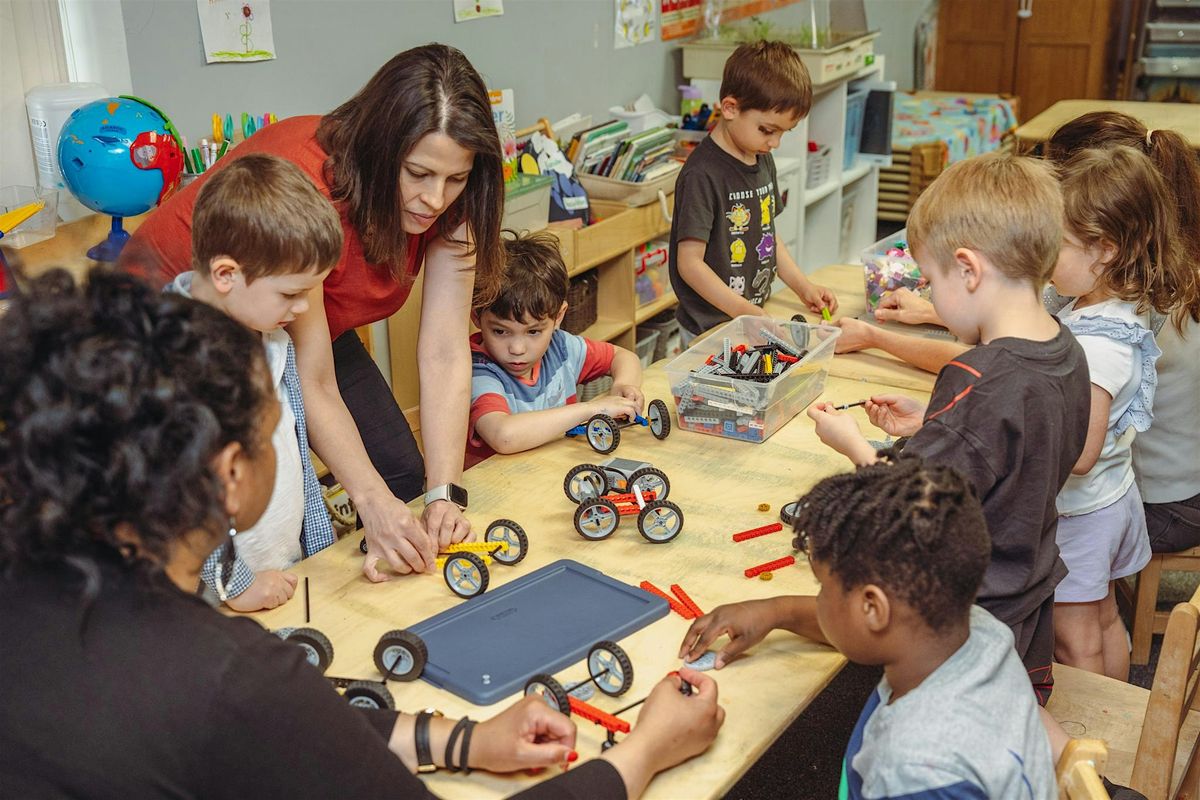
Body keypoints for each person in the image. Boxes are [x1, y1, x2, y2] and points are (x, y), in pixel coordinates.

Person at [0, 268, 724, 799]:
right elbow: (267, 712)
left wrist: (461, 739)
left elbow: (297, 731)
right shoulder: (226, 675)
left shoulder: (34, 592)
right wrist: (641, 755)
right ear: (228, 474)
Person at [122, 44, 506, 582]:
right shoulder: (311, 191)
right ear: (379, 151)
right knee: (226, 490)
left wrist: (446, 495)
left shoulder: (456, 196)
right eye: (417, 173)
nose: (434, 198)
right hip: (189, 309)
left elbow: (444, 351)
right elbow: (315, 380)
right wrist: (370, 503)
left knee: (401, 472)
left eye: (455, 179)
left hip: (294, 310)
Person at [806, 152, 1091, 708]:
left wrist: (855, 446)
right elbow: (1022, 455)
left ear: (967, 269)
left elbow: (908, 517)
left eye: (931, 280)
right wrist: (935, 427)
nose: (931, 297)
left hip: (966, 622)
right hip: (1027, 598)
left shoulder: (976, 378)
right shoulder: (1066, 351)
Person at [679, 456, 1056, 799]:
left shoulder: (916, 772)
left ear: (872, 608)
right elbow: (872, 625)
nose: (821, 598)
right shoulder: (975, 629)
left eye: (824, 587)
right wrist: (778, 612)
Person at [165, 152, 340, 612]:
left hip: (281, 576)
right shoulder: (175, 362)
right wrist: (235, 585)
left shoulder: (271, 339)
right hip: (216, 604)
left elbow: (296, 459)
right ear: (226, 274)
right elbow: (181, 496)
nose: (304, 308)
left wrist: (322, 552)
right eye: (291, 293)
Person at [1049, 145, 1199, 680]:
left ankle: (1093, 743)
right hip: (1112, 501)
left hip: (1082, 512)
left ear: (1105, 250)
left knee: (1075, 641)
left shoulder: (1096, 347)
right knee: (1105, 619)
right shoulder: (1109, 308)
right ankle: (1115, 720)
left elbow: (1082, 453)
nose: (1045, 255)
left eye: (1057, 244)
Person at [668, 40, 837, 346]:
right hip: (710, 328)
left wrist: (803, 287)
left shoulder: (761, 158)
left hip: (752, 316)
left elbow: (768, 238)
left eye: (783, 133)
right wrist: (743, 311)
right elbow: (689, 263)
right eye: (767, 130)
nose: (775, 143)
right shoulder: (702, 174)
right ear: (730, 108)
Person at [467, 230, 644, 466]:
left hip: (553, 471)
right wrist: (591, 409)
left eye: (533, 332)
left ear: (558, 316)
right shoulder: (477, 370)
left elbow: (623, 356)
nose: (517, 348)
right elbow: (504, 436)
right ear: (477, 317)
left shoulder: (560, 347)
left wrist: (624, 385)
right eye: (500, 331)